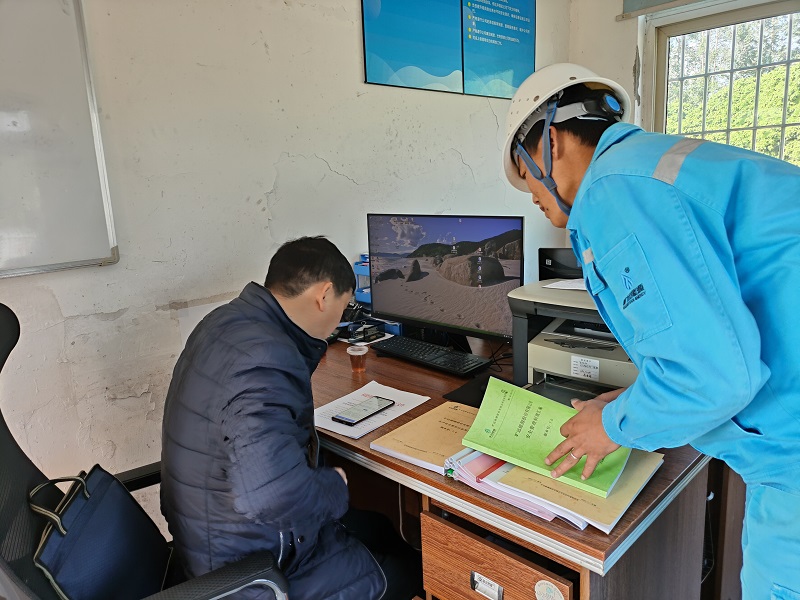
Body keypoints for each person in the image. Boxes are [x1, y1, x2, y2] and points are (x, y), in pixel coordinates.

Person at [502, 63, 800, 599]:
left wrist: (612, 425)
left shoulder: (612, 189)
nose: (531, 195)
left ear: (550, 141)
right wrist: (639, 396)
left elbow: (712, 377)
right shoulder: (653, 164)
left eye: (525, 175)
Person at [160, 236, 422, 599]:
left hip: (209, 534)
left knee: (380, 526)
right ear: (324, 295)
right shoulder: (266, 357)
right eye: (343, 307)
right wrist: (334, 485)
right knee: (414, 570)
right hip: (251, 569)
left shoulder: (224, 322)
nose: (339, 321)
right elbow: (269, 497)